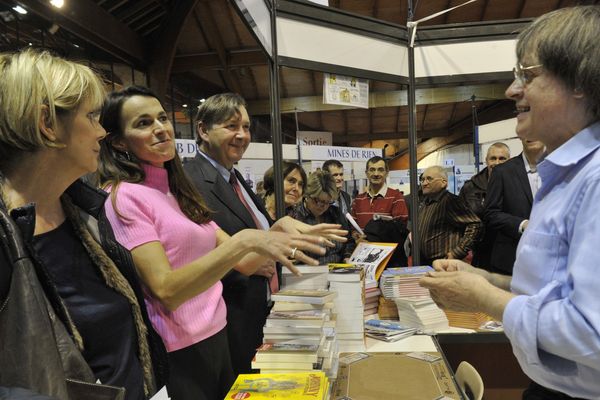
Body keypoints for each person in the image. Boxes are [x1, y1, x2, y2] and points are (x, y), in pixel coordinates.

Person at [97, 86, 338, 400]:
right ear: (118, 141)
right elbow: (167, 291)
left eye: (161, 118)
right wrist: (245, 241)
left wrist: (276, 230)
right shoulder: (125, 196)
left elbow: (247, 263)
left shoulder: (175, 188)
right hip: (180, 349)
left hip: (218, 335)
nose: (160, 129)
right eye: (143, 123)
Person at [420, 6, 600, 399]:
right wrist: (484, 279)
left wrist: (482, 297)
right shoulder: (565, 176)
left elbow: (593, 334)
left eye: (528, 76)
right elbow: (553, 292)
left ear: (580, 81)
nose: (512, 91)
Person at [0, 50, 167, 400]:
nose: (102, 131)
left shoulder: (85, 210)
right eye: (92, 116)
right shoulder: (7, 238)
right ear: (48, 124)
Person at [483, 138, 545, 275]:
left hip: (550, 260)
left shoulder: (560, 168)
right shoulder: (502, 171)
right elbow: (491, 213)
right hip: (511, 260)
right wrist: (522, 224)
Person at [417, 166, 482, 266]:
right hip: (426, 264)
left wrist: (458, 252)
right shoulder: (425, 203)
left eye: (429, 179)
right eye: (422, 179)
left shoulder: (450, 201)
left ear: (443, 182)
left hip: (445, 265)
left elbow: (475, 224)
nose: (424, 183)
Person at [289, 170, 352, 264]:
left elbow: (349, 242)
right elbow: (286, 249)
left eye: (327, 202)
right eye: (317, 200)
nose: (322, 206)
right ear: (307, 194)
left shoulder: (335, 213)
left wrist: (347, 256)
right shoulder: (294, 216)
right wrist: (293, 254)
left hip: (337, 272)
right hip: (307, 273)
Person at [350, 156, 408, 230]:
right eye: (372, 170)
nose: (376, 174)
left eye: (380, 170)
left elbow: (401, 229)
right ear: (366, 173)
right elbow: (353, 227)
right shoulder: (358, 200)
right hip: (362, 242)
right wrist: (356, 236)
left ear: (386, 173)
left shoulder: (396, 197)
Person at [458, 142, 510, 217]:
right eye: (493, 158)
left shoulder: (518, 185)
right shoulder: (469, 188)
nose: (497, 163)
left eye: (502, 159)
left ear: (510, 160)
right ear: (486, 161)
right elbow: (460, 217)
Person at [322, 159, 352, 231]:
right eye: (335, 175)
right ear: (326, 177)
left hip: (346, 240)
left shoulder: (346, 197)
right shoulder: (321, 198)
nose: (339, 178)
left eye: (341, 174)